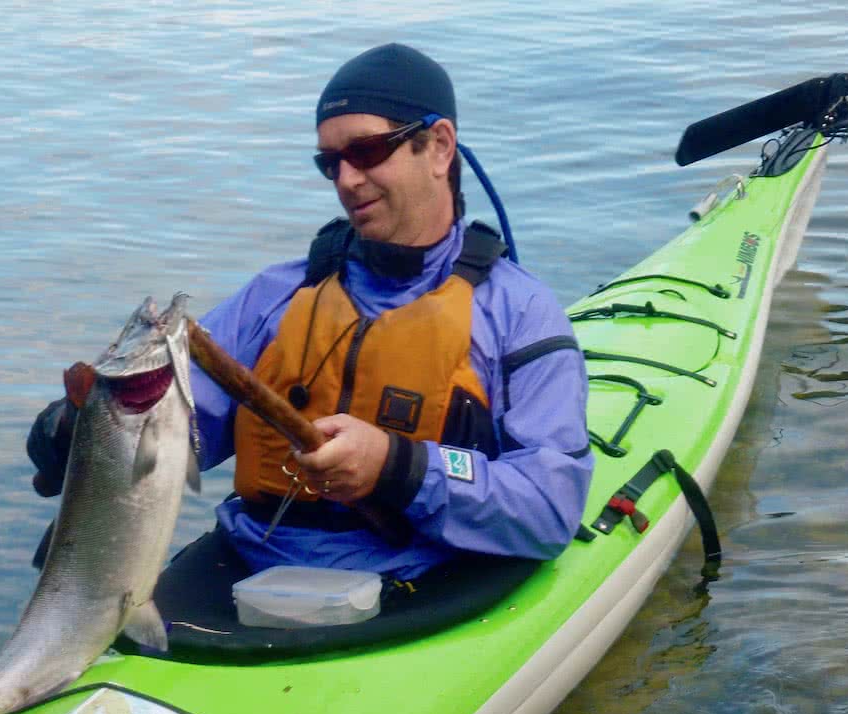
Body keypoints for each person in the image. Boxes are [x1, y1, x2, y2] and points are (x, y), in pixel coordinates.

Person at [29, 43, 592, 590]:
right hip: (255, 566)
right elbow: (176, 429)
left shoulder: (521, 313)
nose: (347, 180)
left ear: (439, 146)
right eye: (330, 162)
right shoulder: (277, 294)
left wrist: (398, 466)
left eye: (368, 151)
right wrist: (73, 430)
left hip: (427, 578)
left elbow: (549, 506)